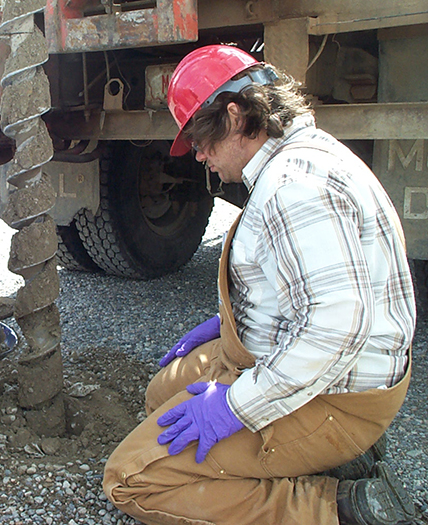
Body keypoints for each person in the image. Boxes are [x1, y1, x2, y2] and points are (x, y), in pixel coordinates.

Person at [103, 45, 418, 525]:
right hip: (294, 360)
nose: (200, 157)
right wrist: (233, 321)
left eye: (200, 140)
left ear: (234, 116)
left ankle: (343, 508)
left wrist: (235, 406)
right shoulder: (295, 159)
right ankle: (328, 462)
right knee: (160, 401)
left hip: (332, 391)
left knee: (130, 479)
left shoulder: (294, 187)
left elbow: (336, 326)